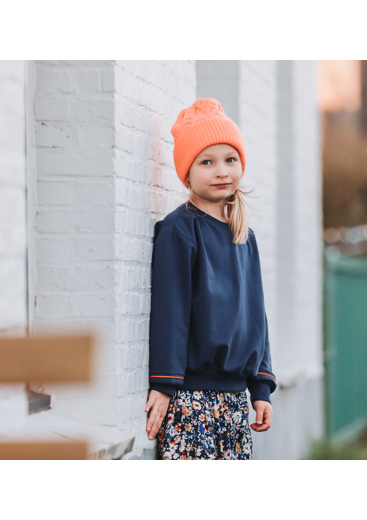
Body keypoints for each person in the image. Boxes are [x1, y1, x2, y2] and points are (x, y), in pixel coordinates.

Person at [145, 98, 277, 460]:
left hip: (235, 402)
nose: (221, 171)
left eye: (230, 159)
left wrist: (260, 387)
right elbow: (171, 311)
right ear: (187, 172)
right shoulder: (179, 230)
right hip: (190, 400)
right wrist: (164, 384)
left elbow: (256, 315)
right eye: (207, 162)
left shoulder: (244, 236)